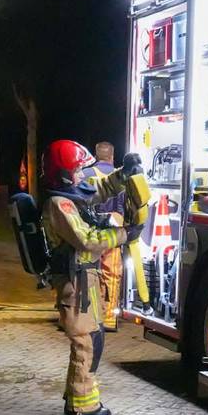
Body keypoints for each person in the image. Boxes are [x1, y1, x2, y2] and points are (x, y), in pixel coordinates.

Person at [41, 140, 143, 415]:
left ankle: (79, 398)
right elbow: (87, 240)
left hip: (85, 280)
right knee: (85, 342)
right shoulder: (59, 204)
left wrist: (124, 174)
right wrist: (126, 234)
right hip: (76, 284)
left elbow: (97, 191)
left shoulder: (69, 195)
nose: (81, 176)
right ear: (64, 173)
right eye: (77, 171)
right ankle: (81, 407)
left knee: (94, 338)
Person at [85, 141, 125, 332]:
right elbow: (125, 207)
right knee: (111, 274)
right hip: (113, 233)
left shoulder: (86, 175)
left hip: (90, 233)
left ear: (96, 155)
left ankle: (91, 315)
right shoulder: (120, 176)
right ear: (112, 156)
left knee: (89, 273)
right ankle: (108, 318)